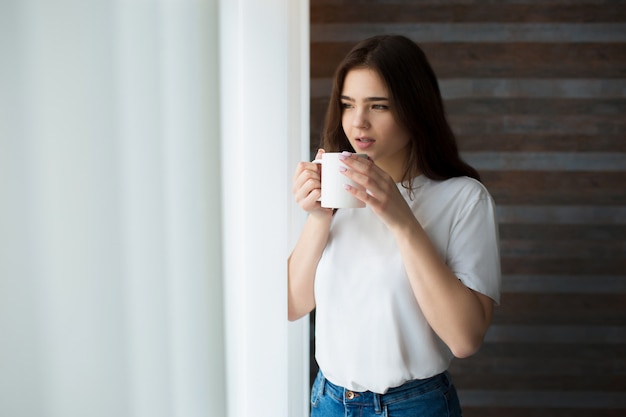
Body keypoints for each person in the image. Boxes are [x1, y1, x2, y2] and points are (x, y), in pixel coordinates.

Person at [288, 35, 501, 417]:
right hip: (329, 401)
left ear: (414, 109)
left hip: (414, 406)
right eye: (348, 104)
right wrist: (319, 216)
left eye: (378, 106)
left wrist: (403, 222)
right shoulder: (336, 190)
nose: (358, 122)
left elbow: (465, 338)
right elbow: (292, 304)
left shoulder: (464, 198)